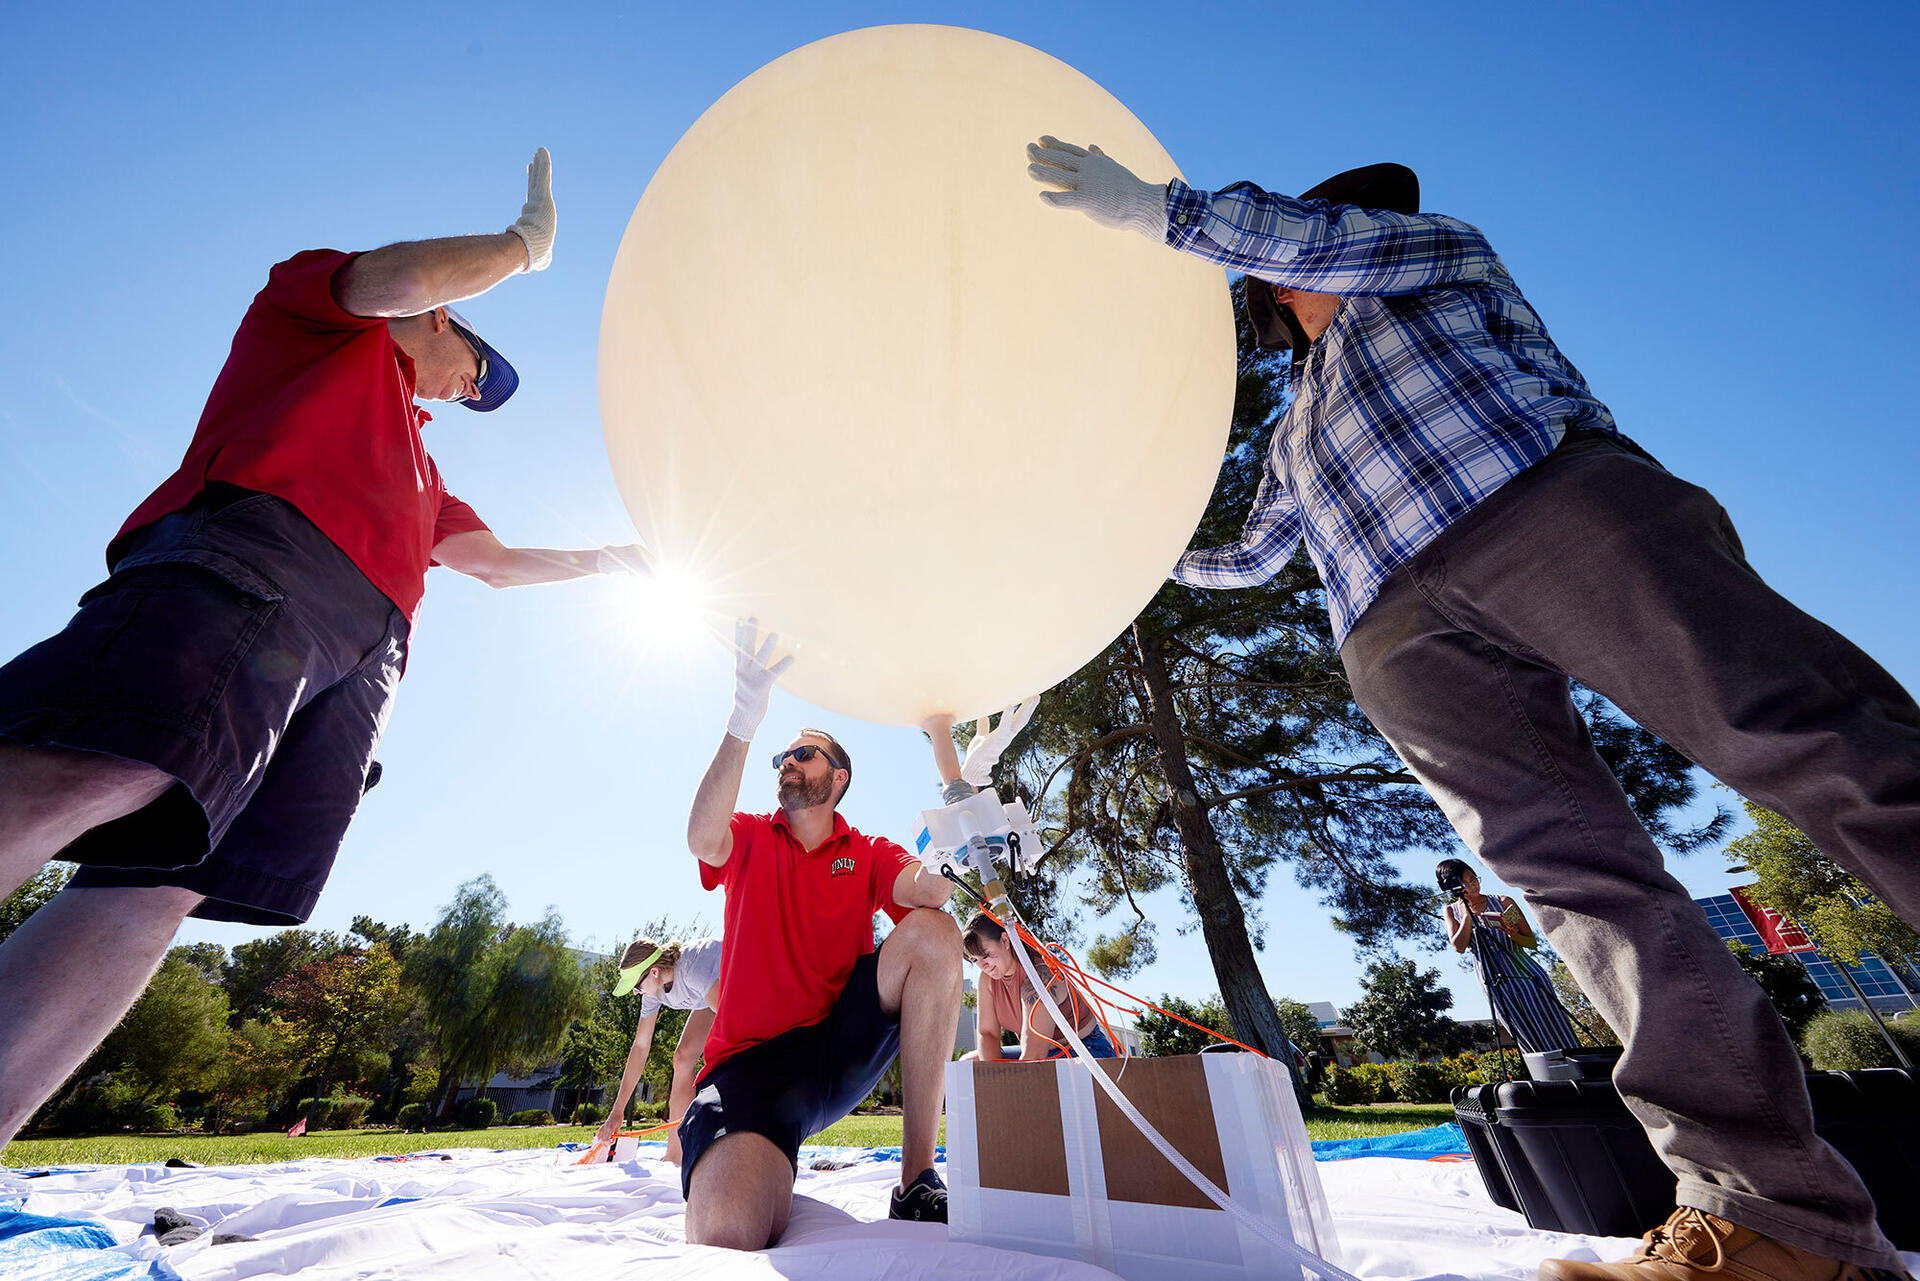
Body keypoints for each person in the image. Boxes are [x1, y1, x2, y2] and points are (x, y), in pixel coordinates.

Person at [1029, 139, 1919, 1280]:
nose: (1294, 255)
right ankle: (1779, 1227)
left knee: (1801, 728)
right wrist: (1129, 553)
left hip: (1544, 509)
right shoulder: (1295, 425)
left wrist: (1165, 212)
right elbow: (1253, 557)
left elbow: (1312, 237)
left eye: (1293, 242)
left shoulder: (1427, 255)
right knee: (1579, 889)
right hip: (1398, 637)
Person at [0, 148, 646, 1150]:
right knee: (98, 764)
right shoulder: (314, 322)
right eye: (475, 373)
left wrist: (623, 561)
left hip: (355, 665)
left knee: (160, 886)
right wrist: (523, 248)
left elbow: (503, 565)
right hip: (259, 560)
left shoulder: (425, 471)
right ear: (442, 321)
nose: (465, 395)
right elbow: (395, 277)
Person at [679, 621, 963, 1249]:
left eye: (804, 754)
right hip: (750, 1065)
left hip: (837, 1046)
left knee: (936, 934)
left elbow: (926, 892)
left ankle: (916, 1177)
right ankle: (758, 1158)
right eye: (784, 756)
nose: (788, 762)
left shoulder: (863, 851)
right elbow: (702, 838)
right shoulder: (751, 835)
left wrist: (950, 854)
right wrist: (743, 719)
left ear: (838, 779)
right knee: (730, 1231)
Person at [593, 935, 722, 1164]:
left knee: (733, 1055)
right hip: (715, 994)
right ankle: (675, 1156)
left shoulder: (691, 967)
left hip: (745, 978)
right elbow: (641, 1047)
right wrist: (617, 1110)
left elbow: (728, 1016)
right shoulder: (653, 992)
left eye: (636, 986)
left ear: (654, 971)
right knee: (682, 1059)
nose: (635, 992)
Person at [1437, 859, 1581, 1055]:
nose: (1473, 885)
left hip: (1525, 974)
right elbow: (1459, 946)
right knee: (1523, 1031)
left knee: (1551, 1025)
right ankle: (1547, 1076)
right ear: (1454, 887)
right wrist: (1467, 916)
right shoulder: (1452, 911)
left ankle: (1576, 1067)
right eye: (1466, 883)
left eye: (1474, 879)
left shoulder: (1504, 902)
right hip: (1493, 980)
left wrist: (1513, 934)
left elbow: (1531, 942)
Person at [961, 910, 1116, 1060]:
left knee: (1027, 1081)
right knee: (969, 1063)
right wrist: (991, 1075)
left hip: (1084, 1050)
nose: (982, 965)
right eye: (974, 960)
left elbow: (1034, 1054)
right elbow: (988, 1034)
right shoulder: (987, 979)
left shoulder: (1039, 976)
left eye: (985, 955)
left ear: (1005, 940)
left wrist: (1005, 1083)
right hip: (1040, 1053)